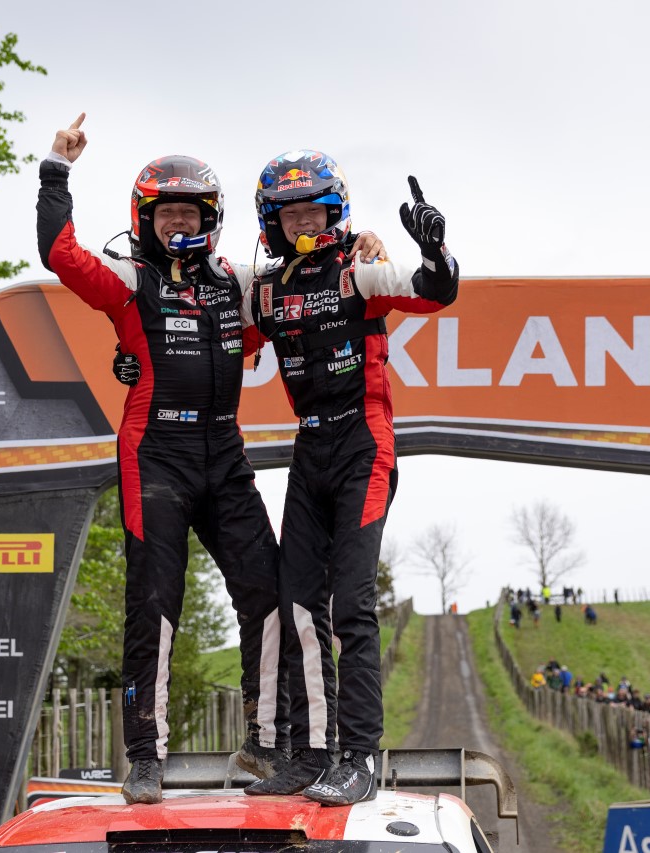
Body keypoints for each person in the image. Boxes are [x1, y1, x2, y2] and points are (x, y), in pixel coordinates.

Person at [37, 115, 300, 804]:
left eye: (190, 212)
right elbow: (60, 254)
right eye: (166, 213)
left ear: (211, 219)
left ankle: (266, 741)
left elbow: (308, 283)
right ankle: (144, 758)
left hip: (224, 454)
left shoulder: (237, 281)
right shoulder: (130, 277)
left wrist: (364, 243)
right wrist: (57, 168)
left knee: (268, 588)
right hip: (154, 455)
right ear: (144, 219)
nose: (178, 222)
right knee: (154, 602)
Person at [240, 150, 458, 806]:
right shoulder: (264, 290)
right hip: (308, 448)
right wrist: (130, 357)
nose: (303, 222)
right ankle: (310, 756)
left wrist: (435, 249)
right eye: (291, 214)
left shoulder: (360, 269)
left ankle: (360, 758)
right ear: (272, 223)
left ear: (334, 212)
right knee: (297, 602)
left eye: (314, 210)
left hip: (365, 444)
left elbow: (435, 291)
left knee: (352, 606)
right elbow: (200, 330)